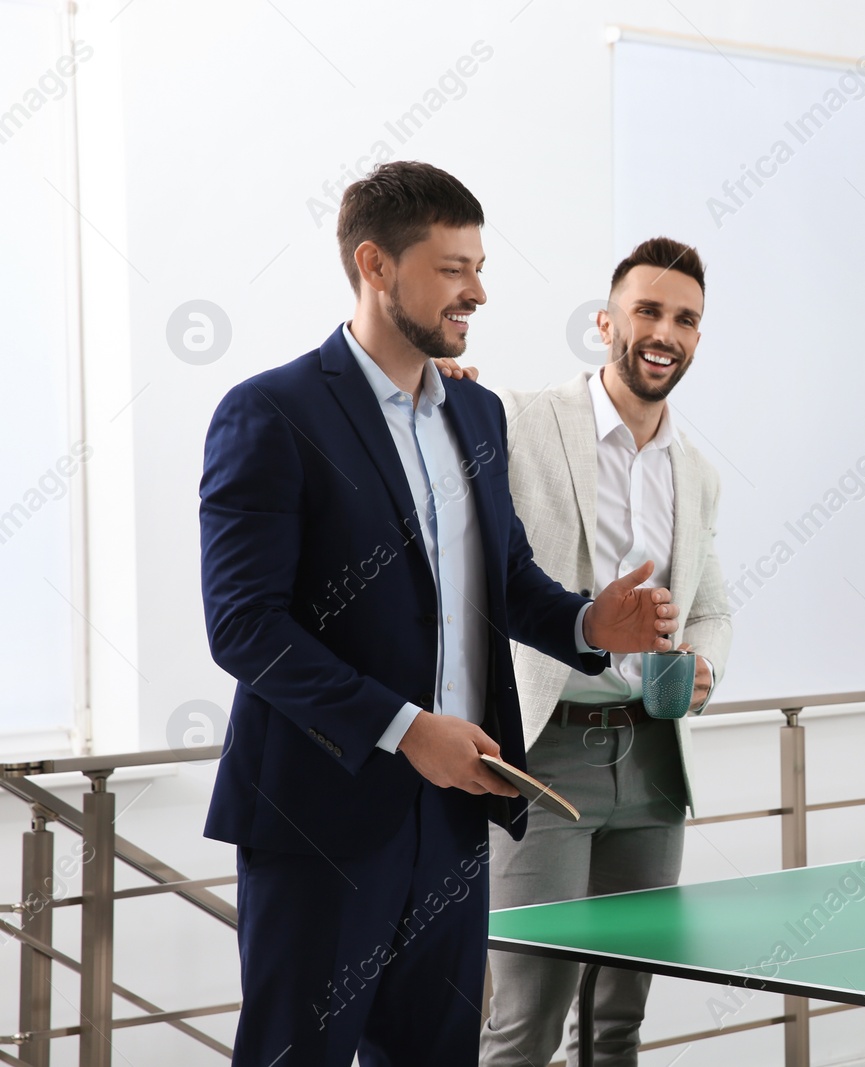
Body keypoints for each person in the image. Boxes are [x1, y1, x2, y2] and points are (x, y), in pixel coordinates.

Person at [198, 161, 680, 1067]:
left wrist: (588, 625)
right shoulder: (272, 412)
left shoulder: (480, 413)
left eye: (481, 265)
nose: (479, 291)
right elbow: (244, 626)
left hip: (458, 816)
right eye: (455, 268)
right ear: (376, 266)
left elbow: (507, 578)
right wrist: (407, 729)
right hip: (319, 818)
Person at [439, 236, 732, 1067]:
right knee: (525, 1021)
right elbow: (446, 476)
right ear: (607, 321)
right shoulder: (521, 417)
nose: (664, 331)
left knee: (617, 1020)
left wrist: (707, 662)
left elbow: (712, 607)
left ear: (696, 339)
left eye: (685, 319)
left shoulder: (697, 472)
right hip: (545, 752)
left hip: (651, 763)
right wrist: (445, 395)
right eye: (648, 310)